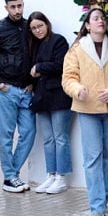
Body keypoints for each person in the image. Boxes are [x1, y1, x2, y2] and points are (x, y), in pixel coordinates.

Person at [62, 7, 108, 216]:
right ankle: (97, 206)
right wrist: (78, 90)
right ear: (87, 25)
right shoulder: (77, 49)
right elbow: (68, 78)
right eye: (95, 18)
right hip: (88, 109)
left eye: (103, 17)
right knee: (92, 157)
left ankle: (104, 200)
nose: (100, 20)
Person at [0, 0, 36, 192]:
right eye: (13, 7)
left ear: (23, 4)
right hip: (7, 90)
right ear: (6, 7)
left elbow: (35, 56)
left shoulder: (29, 27)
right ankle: (11, 177)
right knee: (6, 136)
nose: (17, 10)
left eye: (19, 6)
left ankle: (11, 175)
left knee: (29, 132)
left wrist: (32, 83)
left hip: (26, 90)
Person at [27, 11, 72, 195]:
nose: (37, 30)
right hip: (41, 97)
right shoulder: (34, 46)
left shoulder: (58, 41)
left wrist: (39, 67)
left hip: (59, 96)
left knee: (61, 138)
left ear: (47, 24)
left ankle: (62, 177)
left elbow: (61, 65)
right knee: (48, 139)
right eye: (33, 28)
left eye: (40, 25)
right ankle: (51, 174)